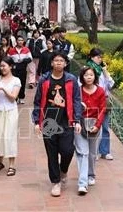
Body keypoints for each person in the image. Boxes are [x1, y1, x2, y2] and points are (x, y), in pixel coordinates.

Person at [32, 52, 83, 197]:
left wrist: (77, 120)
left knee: (68, 150)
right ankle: (56, 182)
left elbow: (76, 100)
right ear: (52, 63)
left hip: (66, 120)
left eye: (61, 60)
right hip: (49, 121)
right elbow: (37, 101)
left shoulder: (71, 79)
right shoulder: (44, 79)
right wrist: (37, 122)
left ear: (65, 64)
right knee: (52, 153)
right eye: (56, 60)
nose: (59, 62)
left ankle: (63, 170)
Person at [74, 66, 106, 195]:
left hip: (95, 124)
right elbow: (74, 108)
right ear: (82, 77)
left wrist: (97, 125)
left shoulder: (100, 91)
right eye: (86, 75)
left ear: (95, 77)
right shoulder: (78, 91)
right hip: (80, 124)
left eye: (91, 75)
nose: (89, 77)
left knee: (92, 153)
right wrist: (76, 121)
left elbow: (103, 109)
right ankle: (82, 183)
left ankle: (91, 174)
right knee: (83, 153)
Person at [85, 48, 115, 160]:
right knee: (93, 126)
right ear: (92, 57)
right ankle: (94, 151)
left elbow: (111, 84)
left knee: (105, 127)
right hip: (92, 101)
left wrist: (106, 72)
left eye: (101, 57)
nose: (100, 59)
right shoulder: (87, 70)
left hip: (104, 101)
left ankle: (105, 151)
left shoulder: (102, 71)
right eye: (98, 57)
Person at [8, 35, 32, 103]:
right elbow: (8, 59)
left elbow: (30, 58)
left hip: (23, 68)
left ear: (23, 41)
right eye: (19, 40)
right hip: (14, 69)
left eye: (22, 40)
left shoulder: (26, 49)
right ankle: (14, 97)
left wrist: (23, 60)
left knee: (22, 83)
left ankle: (21, 97)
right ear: (16, 41)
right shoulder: (12, 50)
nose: (20, 42)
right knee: (14, 83)